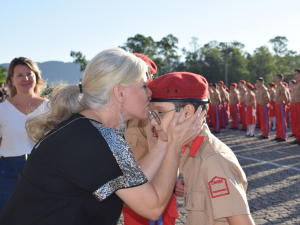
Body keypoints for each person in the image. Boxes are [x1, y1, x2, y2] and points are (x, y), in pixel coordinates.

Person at [0, 49, 205, 225]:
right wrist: (175, 145)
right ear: (120, 93)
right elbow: (152, 206)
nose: (150, 92)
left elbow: (131, 184)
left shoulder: (85, 128)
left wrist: (164, 142)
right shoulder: (97, 139)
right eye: (143, 86)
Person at [148, 72, 255, 225]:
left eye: (159, 112)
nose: (153, 121)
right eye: (152, 113)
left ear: (187, 112)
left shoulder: (214, 160)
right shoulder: (191, 152)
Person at [122, 53, 179, 225]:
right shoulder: (131, 112)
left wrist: (172, 183)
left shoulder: (151, 116)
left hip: (152, 194)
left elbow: (167, 154)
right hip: (132, 194)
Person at [0, 57, 49, 212]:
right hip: (8, 172)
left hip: (42, 171)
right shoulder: (2, 110)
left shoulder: (51, 107)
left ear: (36, 76)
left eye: (29, 73)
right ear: (11, 80)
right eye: (19, 75)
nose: (25, 79)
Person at [272, 74, 288, 142]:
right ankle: (278, 135)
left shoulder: (281, 86)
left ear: (280, 79)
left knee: (282, 120)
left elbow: (285, 95)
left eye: (276, 78)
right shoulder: (277, 87)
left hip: (281, 104)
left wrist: (286, 103)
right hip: (277, 104)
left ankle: (283, 136)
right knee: (278, 120)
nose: (275, 79)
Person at [290, 69, 300, 145]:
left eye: (296, 74)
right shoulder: (297, 83)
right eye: (294, 74)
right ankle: (298, 137)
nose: (294, 75)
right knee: (297, 121)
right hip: (296, 103)